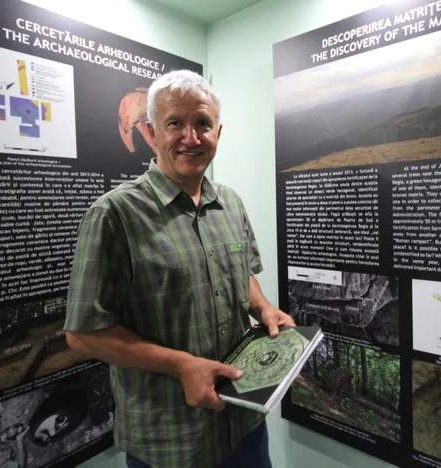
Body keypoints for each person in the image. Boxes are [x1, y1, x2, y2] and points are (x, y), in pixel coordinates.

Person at [64, 69, 294, 468]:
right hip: (170, 443)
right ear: (151, 133)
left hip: (243, 423)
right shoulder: (113, 215)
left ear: (217, 133)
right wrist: (180, 364)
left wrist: (263, 308)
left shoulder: (231, 203)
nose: (191, 138)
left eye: (203, 124)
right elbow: (82, 335)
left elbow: (241, 273)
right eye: (175, 124)